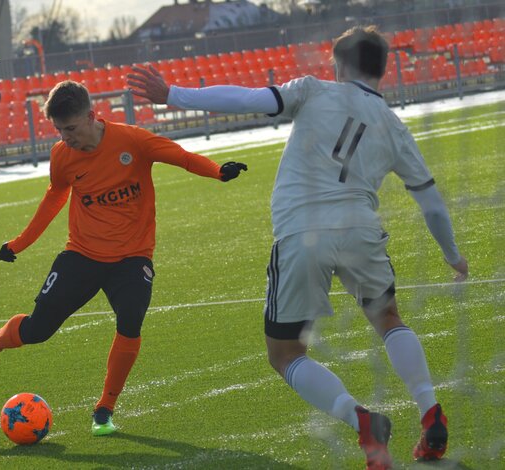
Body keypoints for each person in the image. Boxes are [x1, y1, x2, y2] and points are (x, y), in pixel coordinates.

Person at [128, 25, 468, 469]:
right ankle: (430, 412)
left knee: (285, 353)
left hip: (302, 233)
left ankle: (361, 420)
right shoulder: (394, 127)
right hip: (361, 230)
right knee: (388, 319)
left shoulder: (312, 90)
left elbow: (249, 99)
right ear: (382, 72)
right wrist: (451, 253)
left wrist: (172, 93)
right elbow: (431, 202)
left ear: (340, 65)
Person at [0, 80, 248, 436]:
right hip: (82, 254)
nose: (66, 137)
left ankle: (104, 410)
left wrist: (218, 171)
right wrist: (18, 244)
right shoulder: (62, 156)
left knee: (130, 321)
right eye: (59, 130)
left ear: (92, 116)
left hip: (132, 256)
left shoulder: (132, 141)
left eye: (72, 128)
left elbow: (181, 157)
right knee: (37, 331)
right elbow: (54, 198)